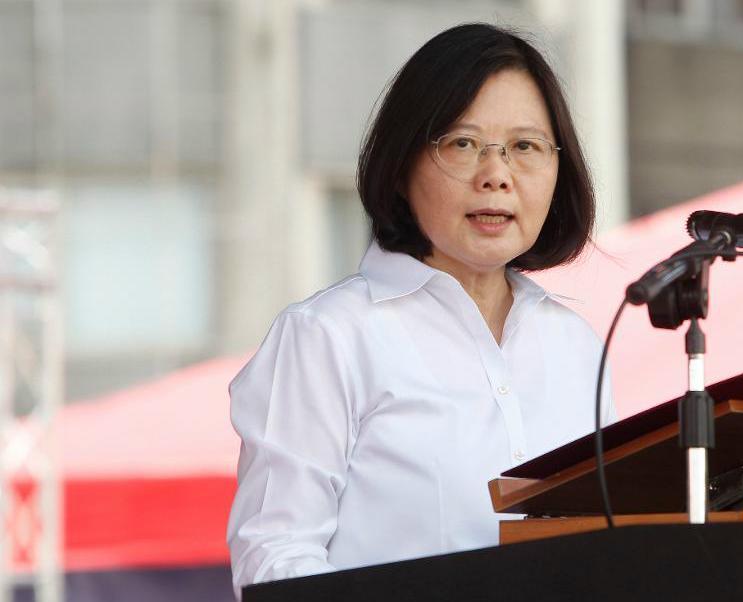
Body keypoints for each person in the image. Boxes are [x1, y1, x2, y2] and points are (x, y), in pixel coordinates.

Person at [226, 23, 615, 596]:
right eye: (462, 143)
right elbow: (274, 561)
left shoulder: (577, 346)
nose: (497, 175)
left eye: (526, 147)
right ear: (403, 163)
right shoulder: (327, 338)